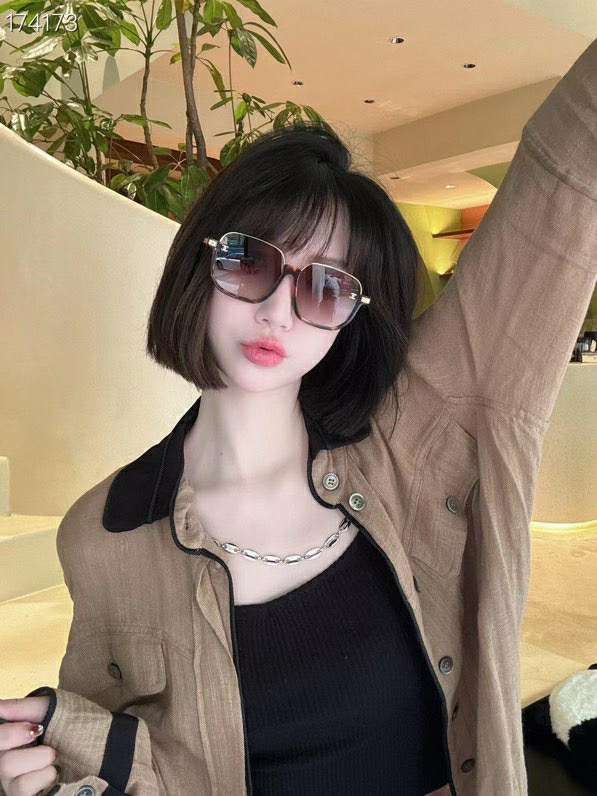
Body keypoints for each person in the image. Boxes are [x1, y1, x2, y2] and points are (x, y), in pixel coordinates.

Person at [1, 36, 596, 796]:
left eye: (325, 286)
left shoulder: (411, 440)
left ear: (351, 316)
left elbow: (563, 184)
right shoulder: (104, 531)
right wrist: (54, 764)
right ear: (199, 265)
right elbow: (139, 759)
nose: (279, 312)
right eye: (249, 260)